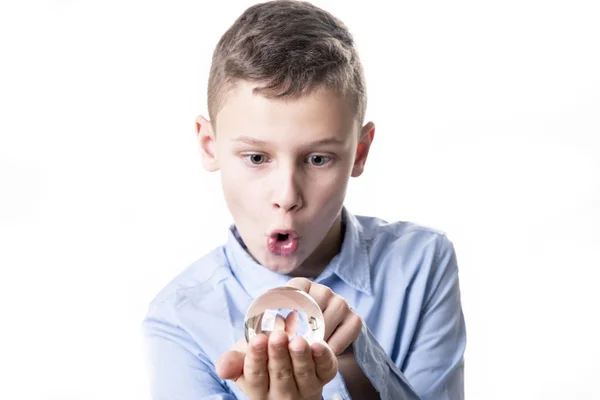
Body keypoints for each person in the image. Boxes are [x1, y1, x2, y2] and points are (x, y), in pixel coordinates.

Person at [142, 1, 466, 399]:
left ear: (359, 153)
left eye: (317, 159)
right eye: (257, 158)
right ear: (210, 146)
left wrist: (355, 357)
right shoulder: (179, 319)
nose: (287, 197)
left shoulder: (420, 263)